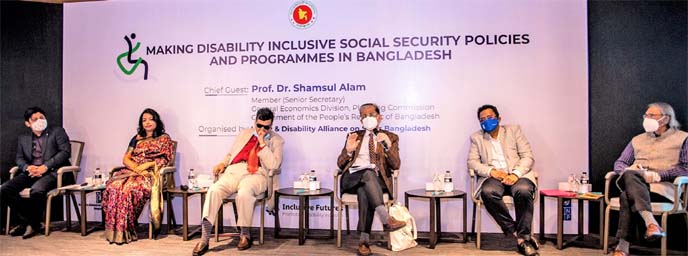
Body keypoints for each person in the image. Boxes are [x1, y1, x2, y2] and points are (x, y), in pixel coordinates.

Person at [193, 108, 284, 255]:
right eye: (259, 125)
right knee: (214, 190)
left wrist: (262, 144)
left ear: (271, 126)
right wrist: (223, 163)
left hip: (257, 174)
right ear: (255, 122)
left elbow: (274, 165)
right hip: (233, 171)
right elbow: (230, 154)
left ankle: (245, 234)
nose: (262, 129)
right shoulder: (244, 134)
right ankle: (204, 239)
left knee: (244, 193)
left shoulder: (277, 140)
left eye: (266, 127)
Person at [611, 102, 687, 256]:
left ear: (666, 119)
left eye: (652, 115)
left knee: (626, 196)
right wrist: (630, 171)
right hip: (635, 183)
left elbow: (686, 167)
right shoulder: (637, 140)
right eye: (646, 115)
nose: (647, 118)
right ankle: (652, 224)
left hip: (663, 189)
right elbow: (620, 163)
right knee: (630, 174)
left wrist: (660, 174)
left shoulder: (683, 138)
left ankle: (622, 247)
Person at [467, 104, 538, 256]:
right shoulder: (476, 138)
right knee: (487, 192)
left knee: (524, 191)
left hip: (517, 175)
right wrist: (491, 171)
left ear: (499, 118)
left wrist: (515, 174)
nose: (486, 121)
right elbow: (472, 162)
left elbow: (528, 156)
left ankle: (523, 237)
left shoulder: (514, 131)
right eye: (482, 119)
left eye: (490, 117)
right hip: (494, 178)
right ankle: (517, 234)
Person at [336, 103, 406, 256]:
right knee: (367, 173)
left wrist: (387, 146)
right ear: (361, 120)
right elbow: (340, 164)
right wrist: (348, 152)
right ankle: (386, 218)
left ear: (379, 117)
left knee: (365, 189)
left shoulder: (391, 137)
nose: (368, 118)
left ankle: (363, 242)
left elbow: (396, 165)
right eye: (364, 115)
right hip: (351, 178)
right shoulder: (354, 136)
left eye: (372, 114)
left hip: (376, 181)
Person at [102, 108, 174, 244]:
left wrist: (147, 165)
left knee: (128, 189)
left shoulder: (164, 139)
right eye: (144, 120)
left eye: (150, 119)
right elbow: (126, 159)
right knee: (114, 186)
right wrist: (137, 168)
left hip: (150, 174)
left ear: (156, 121)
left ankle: (126, 230)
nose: (147, 123)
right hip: (133, 171)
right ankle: (116, 231)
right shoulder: (136, 139)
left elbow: (165, 160)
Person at [1, 107, 72, 239]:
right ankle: (29, 222)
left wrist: (45, 166)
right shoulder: (24, 138)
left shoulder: (57, 132)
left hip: (54, 171)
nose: (40, 121)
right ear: (28, 123)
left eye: (42, 118)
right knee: (5, 189)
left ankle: (31, 224)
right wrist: (28, 168)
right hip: (32, 172)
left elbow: (65, 152)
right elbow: (19, 158)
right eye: (35, 119)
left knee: (37, 190)